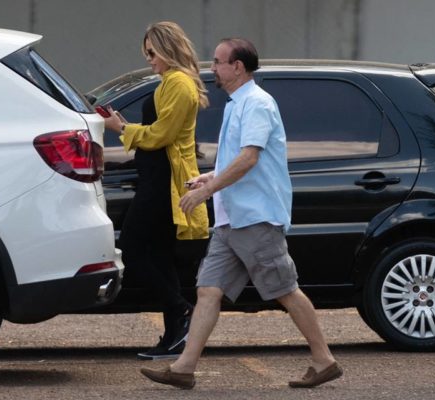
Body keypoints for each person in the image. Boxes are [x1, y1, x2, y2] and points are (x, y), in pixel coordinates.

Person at [140, 38, 342, 388]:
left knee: (285, 290)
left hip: (256, 218)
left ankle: (324, 360)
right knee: (208, 290)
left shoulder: (258, 104)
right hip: (231, 218)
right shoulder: (236, 104)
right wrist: (209, 176)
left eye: (218, 62)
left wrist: (208, 190)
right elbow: (237, 157)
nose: (212, 67)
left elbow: (250, 157)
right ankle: (185, 368)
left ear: (238, 67)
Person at [103, 21, 209, 360]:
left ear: (167, 49)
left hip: (165, 180)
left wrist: (122, 128)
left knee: (133, 249)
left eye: (152, 53)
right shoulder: (170, 82)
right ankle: (176, 333)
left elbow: (162, 134)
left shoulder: (179, 83)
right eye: (146, 53)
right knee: (159, 256)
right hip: (155, 176)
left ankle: (182, 311)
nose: (149, 59)